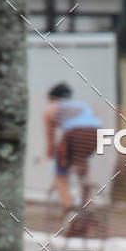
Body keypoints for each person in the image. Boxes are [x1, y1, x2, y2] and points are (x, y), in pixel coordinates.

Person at [44, 83, 102, 213]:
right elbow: (94, 121)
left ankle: (69, 209)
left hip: (74, 134)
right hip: (97, 134)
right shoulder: (83, 105)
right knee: (81, 164)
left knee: (60, 175)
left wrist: (51, 156)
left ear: (53, 98)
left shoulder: (51, 109)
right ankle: (88, 203)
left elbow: (50, 138)